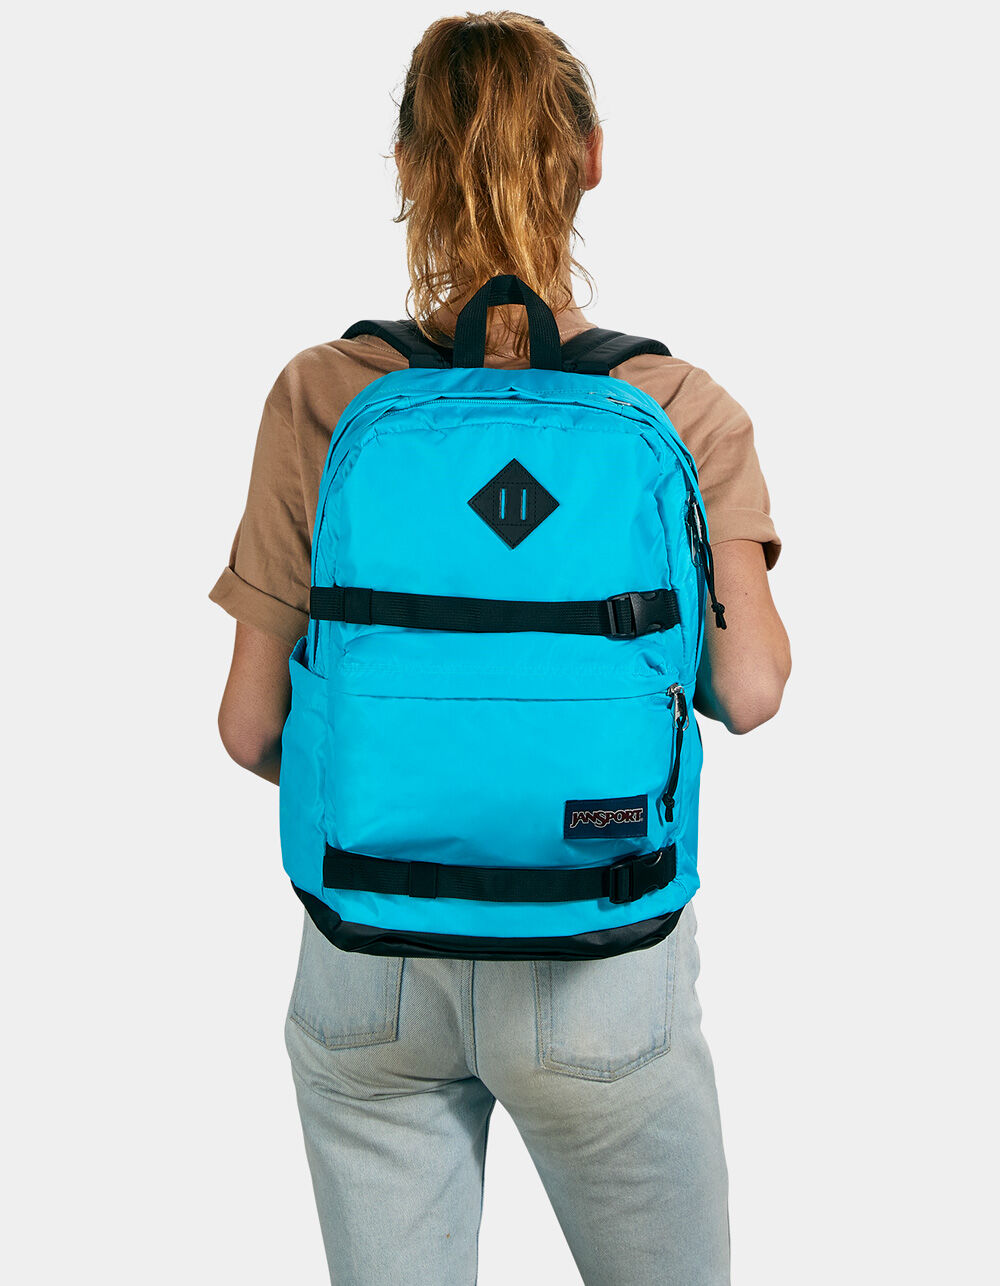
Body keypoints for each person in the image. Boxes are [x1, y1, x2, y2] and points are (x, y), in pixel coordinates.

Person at [211, 12, 790, 1285]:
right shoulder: (676, 406)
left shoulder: (322, 395)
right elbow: (748, 690)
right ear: (590, 158)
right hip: (600, 951)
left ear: (407, 166)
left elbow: (251, 727)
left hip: (371, 950)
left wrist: (422, 780)